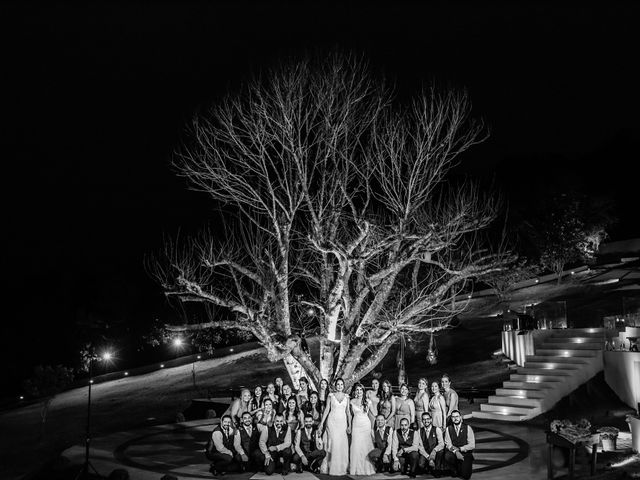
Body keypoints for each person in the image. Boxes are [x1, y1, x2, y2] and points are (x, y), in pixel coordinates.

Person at [318, 377, 350, 475]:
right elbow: (327, 409)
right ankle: (331, 466)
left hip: (343, 423)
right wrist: (321, 423)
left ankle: (341, 466)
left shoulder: (347, 397)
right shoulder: (331, 395)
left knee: (341, 444)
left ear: (343, 386)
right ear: (335, 386)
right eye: (338, 384)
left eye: (341, 384)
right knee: (333, 443)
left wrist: (350, 425)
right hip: (332, 422)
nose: (340, 386)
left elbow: (348, 412)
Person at [349, 383, 377, 475]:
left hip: (366, 425)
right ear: (355, 391)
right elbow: (349, 415)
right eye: (357, 389)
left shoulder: (368, 401)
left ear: (363, 391)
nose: (359, 391)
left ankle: (367, 468)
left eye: (361, 390)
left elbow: (374, 413)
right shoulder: (352, 401)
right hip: (356, 425)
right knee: (356, 445)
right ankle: (356, 468)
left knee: (365, 445)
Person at [444, 410, 475, 480]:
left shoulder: (468, 428)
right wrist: (456, 452)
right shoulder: (448, 429)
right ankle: (455, 469)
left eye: (457, 416)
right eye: (453, 417)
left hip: (466, 453)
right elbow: (448, 444)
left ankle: (461, 465)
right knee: (447, 456)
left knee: (465, 476)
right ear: (451, 418)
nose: (455, 418)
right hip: (454, 453)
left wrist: (460, 449)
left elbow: (472, 445)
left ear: (460, 417)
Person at [417, 412, 445, 476]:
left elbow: (441, 444)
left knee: (440, 451)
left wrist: (435, 450)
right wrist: (428, 457)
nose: (426, 421)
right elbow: (420, 447)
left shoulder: (437, 429)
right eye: (424, 419)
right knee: (421, 465)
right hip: (425, 452)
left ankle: (437, 469)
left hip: (435, 452)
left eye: (427, 419)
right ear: (422, 421)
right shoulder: (419, 431)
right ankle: (429, 466)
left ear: (431, 419)